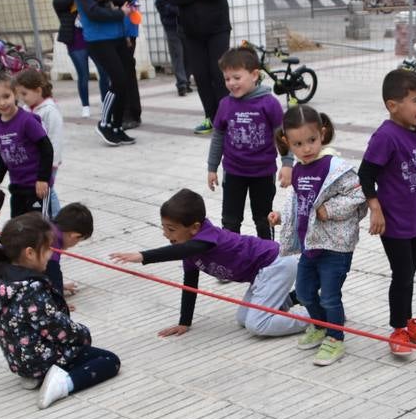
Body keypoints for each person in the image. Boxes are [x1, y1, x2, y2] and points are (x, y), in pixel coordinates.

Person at [110, 188, 306, 339]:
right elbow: (190, 283)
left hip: (276, 265)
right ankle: (292, 298)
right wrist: (184, 322)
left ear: (195, 228)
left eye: (171, 229)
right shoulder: (189, 246)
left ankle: (316, 317)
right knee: (243, 319)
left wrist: (143, 256)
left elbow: (183, 251)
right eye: (164, 228)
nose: (165, 234)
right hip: (263, 274)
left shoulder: (207, 239)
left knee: (257, 325)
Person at [0, 214, 121, 409]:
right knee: (109, 360)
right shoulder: (31, 290)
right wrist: (84, 334)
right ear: (29, 253)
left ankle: (34, 376)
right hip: (40, 359)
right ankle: (62, 384)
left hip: (19, 360)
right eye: (47, 249)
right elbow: (58, 329)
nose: (50, 253)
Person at [270, 105, 365, 366]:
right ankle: (321, 324)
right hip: (309, 244)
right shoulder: (299, 168)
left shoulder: (336, 167)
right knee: (304, 291)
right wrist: (281, 216)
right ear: (287, 143)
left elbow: (358, 195)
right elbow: (297, 201)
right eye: (298, 143)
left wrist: (329, 210)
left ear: (322, 134)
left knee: (330, 296)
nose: (306, 148)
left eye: (311, 140)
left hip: (335, 248)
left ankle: (336, 337)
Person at [361, 68, 416, 355]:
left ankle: (407, 320)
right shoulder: (386, 136)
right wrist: (376, 208)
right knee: (402, 273)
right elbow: (366, 174)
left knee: (410, 272)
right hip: (393, 220)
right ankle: (398, 330)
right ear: (393, 106)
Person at [208, 46, 291, 239]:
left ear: (254, 75)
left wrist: (287, 164)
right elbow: (218, 136)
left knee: (263, 218)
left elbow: (283, 135)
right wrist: (212, 167)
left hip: (263, 172)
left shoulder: (269, 103)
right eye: (227, 79)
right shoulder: (225, 105)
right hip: (233, 172)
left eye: (237, 77)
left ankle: (267, 255)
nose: (231, 83)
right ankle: (231, 256)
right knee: (230, 221)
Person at [71, 0, 137, 146]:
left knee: (125, 81)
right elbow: (91, 12)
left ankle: (117, 127)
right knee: (116, 80)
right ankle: (104, 123)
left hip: (118, 36)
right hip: (98, 39)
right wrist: (118, 12)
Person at [171, 0, 232, 135]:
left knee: (219, 74)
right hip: (191, 34)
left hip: (217, 31)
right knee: (202, 76)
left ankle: (225, 119)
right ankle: (211, 117)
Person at [0, 73, 53, 217]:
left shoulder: (27, 121)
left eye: (6, 96)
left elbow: (46, 148)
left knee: (39, 227)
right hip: (17, 187)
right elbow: (2, 157)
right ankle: (2, 241)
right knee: (17, 226)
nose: (2, 102)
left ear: (15, 94)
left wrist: (43, 179)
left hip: (36, 187)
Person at [103, 0, 144, 127]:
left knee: (125, 72)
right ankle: (124, 112)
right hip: (119, 29)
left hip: (124, 29)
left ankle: (131, 114)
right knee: (121, 72)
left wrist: (127, 33)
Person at [15, 68, 64, 217]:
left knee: (47, 190)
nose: (22, 98)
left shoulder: (50, 111)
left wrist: (52, 163)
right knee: (42, 190)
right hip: (33, 161)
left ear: (38, 90)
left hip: (48, 162)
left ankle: (56, 218)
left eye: (25, 94)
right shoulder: (26, 109)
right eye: (20, 94)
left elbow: (55, 139)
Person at [50, 0, 92, 117]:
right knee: (83, 74)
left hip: (89, 35)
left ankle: (105, 100)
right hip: (75, 39)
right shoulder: (58, 1)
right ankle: (85, 105)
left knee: (103, 70)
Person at [155, 0, 191, 96]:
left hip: (189, 23)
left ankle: (186, 80)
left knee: (189, 54)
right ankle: (181, 84)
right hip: (172, 24)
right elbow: (160, 3)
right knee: (177, 54)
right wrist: (174, 10)